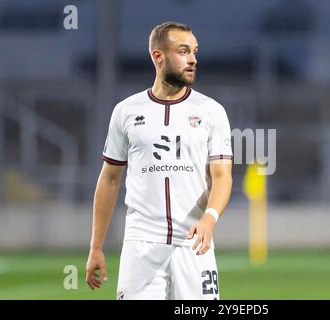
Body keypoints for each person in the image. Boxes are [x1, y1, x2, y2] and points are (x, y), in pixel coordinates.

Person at [85, 21, 233, 300]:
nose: (193, 59)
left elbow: (222, 177)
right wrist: (96, 246)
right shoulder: (126, 112)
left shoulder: (212, 111)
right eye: (183, 51)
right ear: (158, 56)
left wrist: (209, 220)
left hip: (194, 244)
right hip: (140, 247)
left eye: (195, 52)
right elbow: (110, 178)